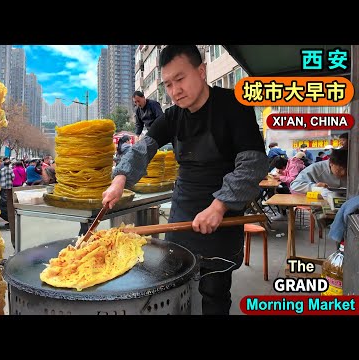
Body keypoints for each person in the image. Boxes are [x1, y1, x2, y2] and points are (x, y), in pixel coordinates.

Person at [102, 45, 269, 315]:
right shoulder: (172, 116)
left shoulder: (234, 107)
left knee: (214, 292)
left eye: (180, 79)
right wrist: (119, 179)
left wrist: (220, 206)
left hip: (222, 218)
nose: (174, 90)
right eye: (168, 84)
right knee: (175, 288)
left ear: (201, 71)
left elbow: (253, 163)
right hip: (183, 213)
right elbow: (142, 149)